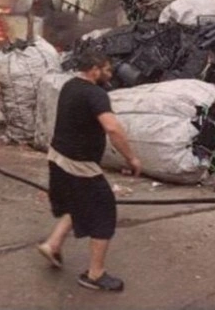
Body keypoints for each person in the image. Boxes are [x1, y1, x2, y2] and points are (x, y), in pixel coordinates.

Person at [36, 50, 142, 292]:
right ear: (94, 68)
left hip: (57, 157)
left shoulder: (69, 85)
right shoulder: (96, 94)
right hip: (79, 165)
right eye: (106, 69)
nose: (109, 74)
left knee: (78, 203)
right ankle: (95, 275)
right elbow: (112, 128)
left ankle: (52, 245)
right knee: (104, 214)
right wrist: (132, 158)